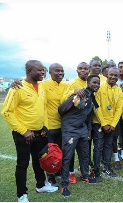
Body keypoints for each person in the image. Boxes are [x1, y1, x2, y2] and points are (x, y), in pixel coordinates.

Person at [2, 60, 58, 202]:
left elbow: (43, 109)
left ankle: (41, 185)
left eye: (43, 70)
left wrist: (44, 127)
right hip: (23, 135)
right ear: (29, 72)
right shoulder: (17, 87)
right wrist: (24, 131)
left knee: (39, 161)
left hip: (40, 133)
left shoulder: (41, 87)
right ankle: (22, 195)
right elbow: (7, 112)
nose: (43, 72)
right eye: (39, 70)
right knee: (23, 164)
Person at [60, 74, 100, 197]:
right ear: (88, 83)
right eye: (94, 82)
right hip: (70, 129)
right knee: (67, 156)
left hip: (82, 129)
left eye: (98, 83)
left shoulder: (92, 98)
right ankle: (64, 184)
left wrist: (88, 131)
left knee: (84, 154)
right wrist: (74, 97)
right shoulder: (79, 94)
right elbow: (61, 109)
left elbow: (88, 116)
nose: (96, 85)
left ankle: (85, 175)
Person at [92, 67, 123, 179]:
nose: (113, 77)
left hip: (111, 125)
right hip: (99, 123)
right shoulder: (99, 87)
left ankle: (107, 168)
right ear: (106, 75)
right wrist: (104, 123)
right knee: (98, 147)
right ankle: (96, 170)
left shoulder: (118, 90)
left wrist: (113, 124)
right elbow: (96, 107)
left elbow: (119, 109)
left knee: (108, 146)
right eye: (111, 75)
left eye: (116, 75)